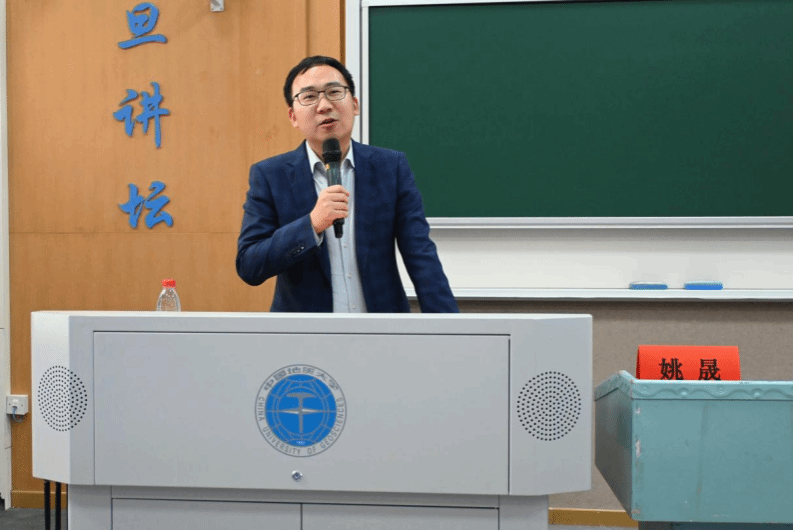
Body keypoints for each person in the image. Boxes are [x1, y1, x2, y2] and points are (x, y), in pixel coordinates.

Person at [236, 56, 457, 313]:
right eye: (309, 97)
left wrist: (450, 329)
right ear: (293, 116)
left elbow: (420, 255)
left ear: (354, 104)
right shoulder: (270, 175)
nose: (324, 106)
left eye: (334, 92)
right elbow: (249, 265)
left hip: (380, 329)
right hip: (307, 333)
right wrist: (311, 225)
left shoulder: (390, 167)